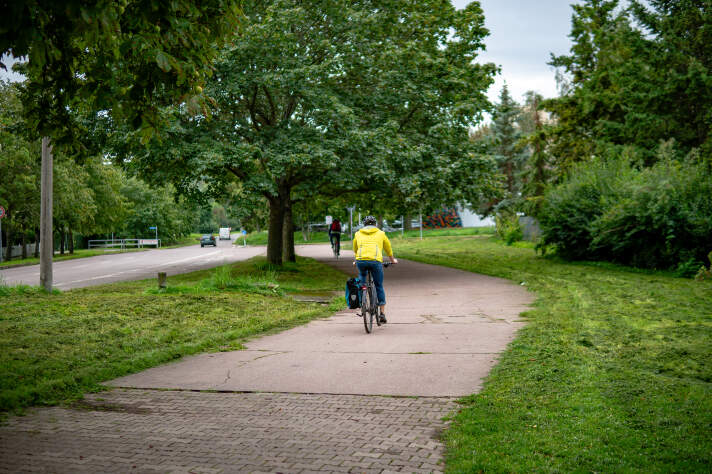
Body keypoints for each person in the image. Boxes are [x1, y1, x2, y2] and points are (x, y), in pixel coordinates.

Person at [352, 215, 398, 323]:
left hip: (361, 261)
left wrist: (356, 260)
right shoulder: (381, 233)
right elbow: (388, 248)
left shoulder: (358, 234)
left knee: (362, 281)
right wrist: (392, 260)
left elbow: (356, 248)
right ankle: (382, 313)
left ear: (364, 225)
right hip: (375, 261)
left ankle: (362, 301)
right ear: (375, 224)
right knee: (378, 285)